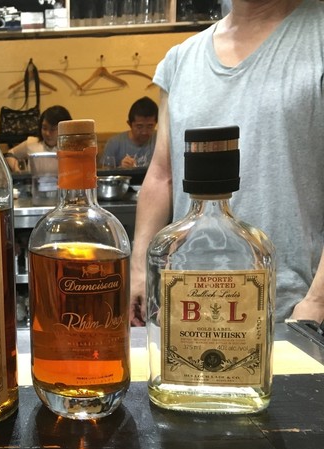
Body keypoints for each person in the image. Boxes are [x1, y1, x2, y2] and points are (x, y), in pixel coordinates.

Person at [130, 0, 324, 326]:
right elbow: (162, 175)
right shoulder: (180, 60)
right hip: (185, 313)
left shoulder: (317, 37)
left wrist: (316, 303)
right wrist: (139, 269)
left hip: (290, 314)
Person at [4, 105, 72, 172]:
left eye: (53, 129)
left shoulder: (71, 148)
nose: (47, 133)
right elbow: (10, 154)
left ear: (65, 128)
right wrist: (16, 169)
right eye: (44, 128)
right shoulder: (32, 143)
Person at [99, 96, 158, 169]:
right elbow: (105, 172)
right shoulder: (114, 143)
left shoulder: (161, 141)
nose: (144, 132)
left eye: (150, 126)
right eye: (139, 126)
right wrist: (121, 169)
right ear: (129, 124)